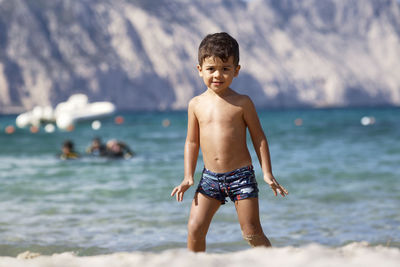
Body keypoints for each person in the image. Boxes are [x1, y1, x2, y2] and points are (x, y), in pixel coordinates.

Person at [171, 32, 288, 252]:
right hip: (209, 178)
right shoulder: (195, 104)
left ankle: (274, 262)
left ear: (236, 70)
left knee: (251, 231)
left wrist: (267, 173)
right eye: (211, 69)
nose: (218, 75)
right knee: (195, 229)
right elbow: (191, 142)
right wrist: (188, 176)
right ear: (199, 70)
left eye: (225, 69)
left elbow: (258, 137)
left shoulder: (242, 103)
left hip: (241, 177)